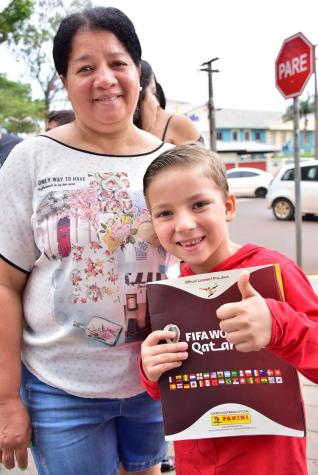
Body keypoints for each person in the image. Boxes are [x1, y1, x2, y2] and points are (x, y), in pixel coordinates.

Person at [0, 6, 176, 475]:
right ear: (64, 79)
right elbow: (4, 284)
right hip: (60, 390)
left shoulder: (173, 162)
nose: (105, 79)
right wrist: (5, 399)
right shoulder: (32, 159)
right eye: (85, 67)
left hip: (158, 382)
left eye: (118, 63)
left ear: (137, 71)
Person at [140, 143, 318, 475]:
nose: (185, 224)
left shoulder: (273, 270)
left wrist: (280, 325)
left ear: (229, 206)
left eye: (199, 204)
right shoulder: (172, 290)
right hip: (197, 464)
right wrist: (151, 372)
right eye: (165, 213)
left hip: (271, 464)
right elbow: (172, 385)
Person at [134, 60, 202, 145]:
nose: (157, 103)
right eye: (152, 93)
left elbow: (204, 157)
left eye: (154, 92)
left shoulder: (179, 124)